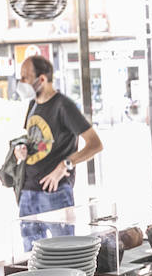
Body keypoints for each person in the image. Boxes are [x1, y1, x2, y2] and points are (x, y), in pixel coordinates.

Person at [13, 55, 103, 250]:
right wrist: (21, 149)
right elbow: (33, 137)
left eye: (26, 77)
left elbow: (95, 144)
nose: (21, 83)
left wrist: (65, 165)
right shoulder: (32, 104)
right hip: (28, 192)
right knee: (32, 257)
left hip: (55, 194)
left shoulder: (64, 106)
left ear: (42, 79)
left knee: (64, 254)